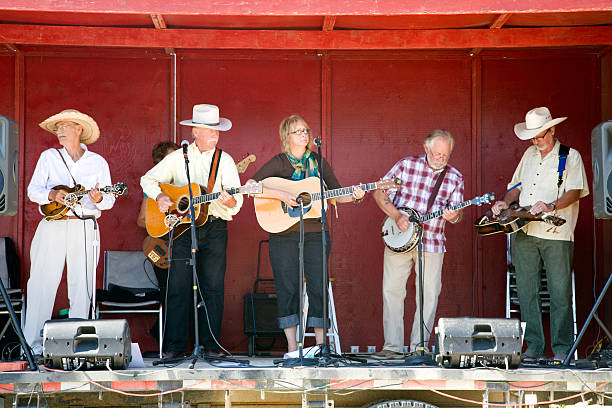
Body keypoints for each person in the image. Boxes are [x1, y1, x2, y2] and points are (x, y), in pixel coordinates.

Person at [248, 114, 365, 354]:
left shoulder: (319, 163)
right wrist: (281, 195)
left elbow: (335, 194)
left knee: (318, 284)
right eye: (298, 131)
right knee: (287, 286)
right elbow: (251, 186)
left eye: (306, 131)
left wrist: (354, 195)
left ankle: (321, 347)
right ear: (286, 137)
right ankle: (292, 347)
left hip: (315, 232)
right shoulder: (279, 162)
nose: (304, 135)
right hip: (282, 233)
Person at [140, 104, 243, 359]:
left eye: (217, 131)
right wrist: (161, 196)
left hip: (215, 226)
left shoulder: (225, 160)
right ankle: (174, 348)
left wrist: (230, 200)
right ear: (196, 131)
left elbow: (235, 202)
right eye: (211, 130)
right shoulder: (178, 158)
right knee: (177, 285)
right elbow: (147, 180)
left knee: (212, 286)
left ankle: (210, 347)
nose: (216, 135)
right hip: (183, 228)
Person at [491, 107, 589, 362]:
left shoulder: (570, 156)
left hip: (557, 233)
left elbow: (575, 191)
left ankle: (562, 349)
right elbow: (516, 186)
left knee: (559, 292)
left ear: (552, 130)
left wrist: (550, 205)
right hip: (525, 230)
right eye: (532, 138)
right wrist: (504, 202)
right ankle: (533, 347)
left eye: (540, 136)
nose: (536, 141)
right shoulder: (529, 154)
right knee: (526, 291)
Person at [24, 109, 116, 355]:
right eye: (57, 128)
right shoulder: (49, 157)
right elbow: (33, 191)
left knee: (82, 285)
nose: (59, 131)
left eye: (64, 126)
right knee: (41, 283)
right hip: (53, 225)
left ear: (79, 129)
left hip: (84, 225)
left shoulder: (98, 162)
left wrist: (98, 198)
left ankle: (78, 347)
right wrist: (52, 194)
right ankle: (31, 346)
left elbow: (108, 201)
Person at [373, 129, 464, 359]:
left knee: (429, 295)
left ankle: (419, 348)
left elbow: (457, 213)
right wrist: (396, 216)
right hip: (399, 239)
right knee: (392, 291)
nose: (441, 159)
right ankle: (392, 346)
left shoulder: (454, 177)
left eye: (446, 156)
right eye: (437, 154)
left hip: (432, 242)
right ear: (426, 148)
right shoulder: (406, 166)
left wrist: (454, 216)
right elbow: (379, 191)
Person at [136, 141, 179, 349]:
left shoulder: (182, 186)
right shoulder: (152, 189)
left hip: (180, 247)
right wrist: (164, 222)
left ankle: (168, 336)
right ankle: (166, 339)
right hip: (157, 249)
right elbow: (141, 221)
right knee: (168, 292)